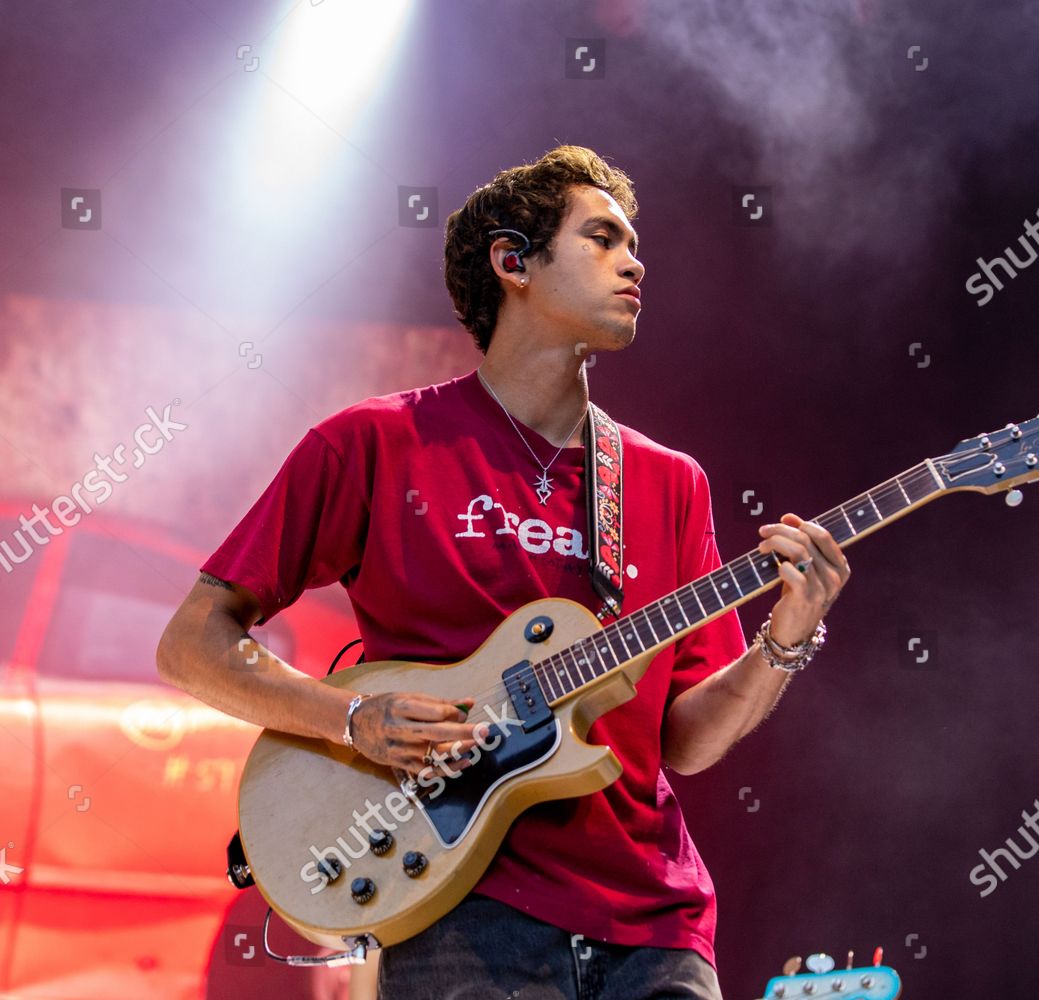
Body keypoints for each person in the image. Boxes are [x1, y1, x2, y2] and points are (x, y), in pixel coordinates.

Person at [156, 145, 851, 1000]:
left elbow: (685, 740)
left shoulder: (670, 481)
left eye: (635, 245)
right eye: (603, 238)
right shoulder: (375, 444)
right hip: (463, 909)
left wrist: (783, 641)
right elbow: (193, 642)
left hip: (657, 924)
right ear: (513, 262)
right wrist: (351, 719)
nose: (635, 262)